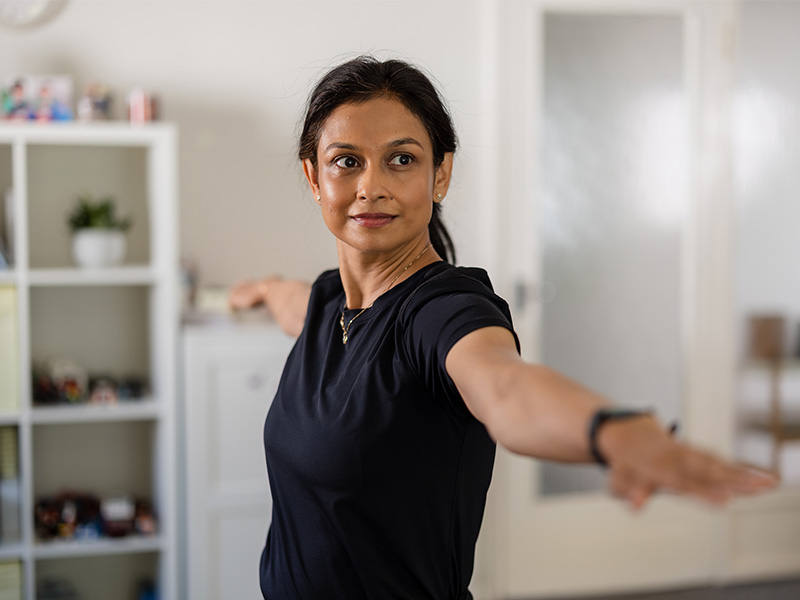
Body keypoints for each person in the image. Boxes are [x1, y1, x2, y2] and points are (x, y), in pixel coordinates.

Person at [229, 56, 777, 600]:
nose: (371, 186)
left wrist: (609, 429)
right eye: (346, 161)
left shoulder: (441, 310)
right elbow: (292, 303)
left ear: (440, 174)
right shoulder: (328, 302)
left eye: (400, 159)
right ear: (313, 177)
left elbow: (504, 386)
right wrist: (261, 287)